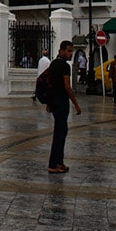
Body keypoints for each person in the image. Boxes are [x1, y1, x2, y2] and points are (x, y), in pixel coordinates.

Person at [46, 40, 81, 173]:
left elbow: (50, 84)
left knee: (61, 131)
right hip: (61, 102)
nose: (71, 54)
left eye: (72, 51)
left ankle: (59, 162)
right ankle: (53, 163)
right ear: (61, 51)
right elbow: (67, 86)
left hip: (54, 102)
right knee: (60, 133)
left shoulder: (53, 64)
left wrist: (49, 103)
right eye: (68, 51)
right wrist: (76, 103)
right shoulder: (65, 66)